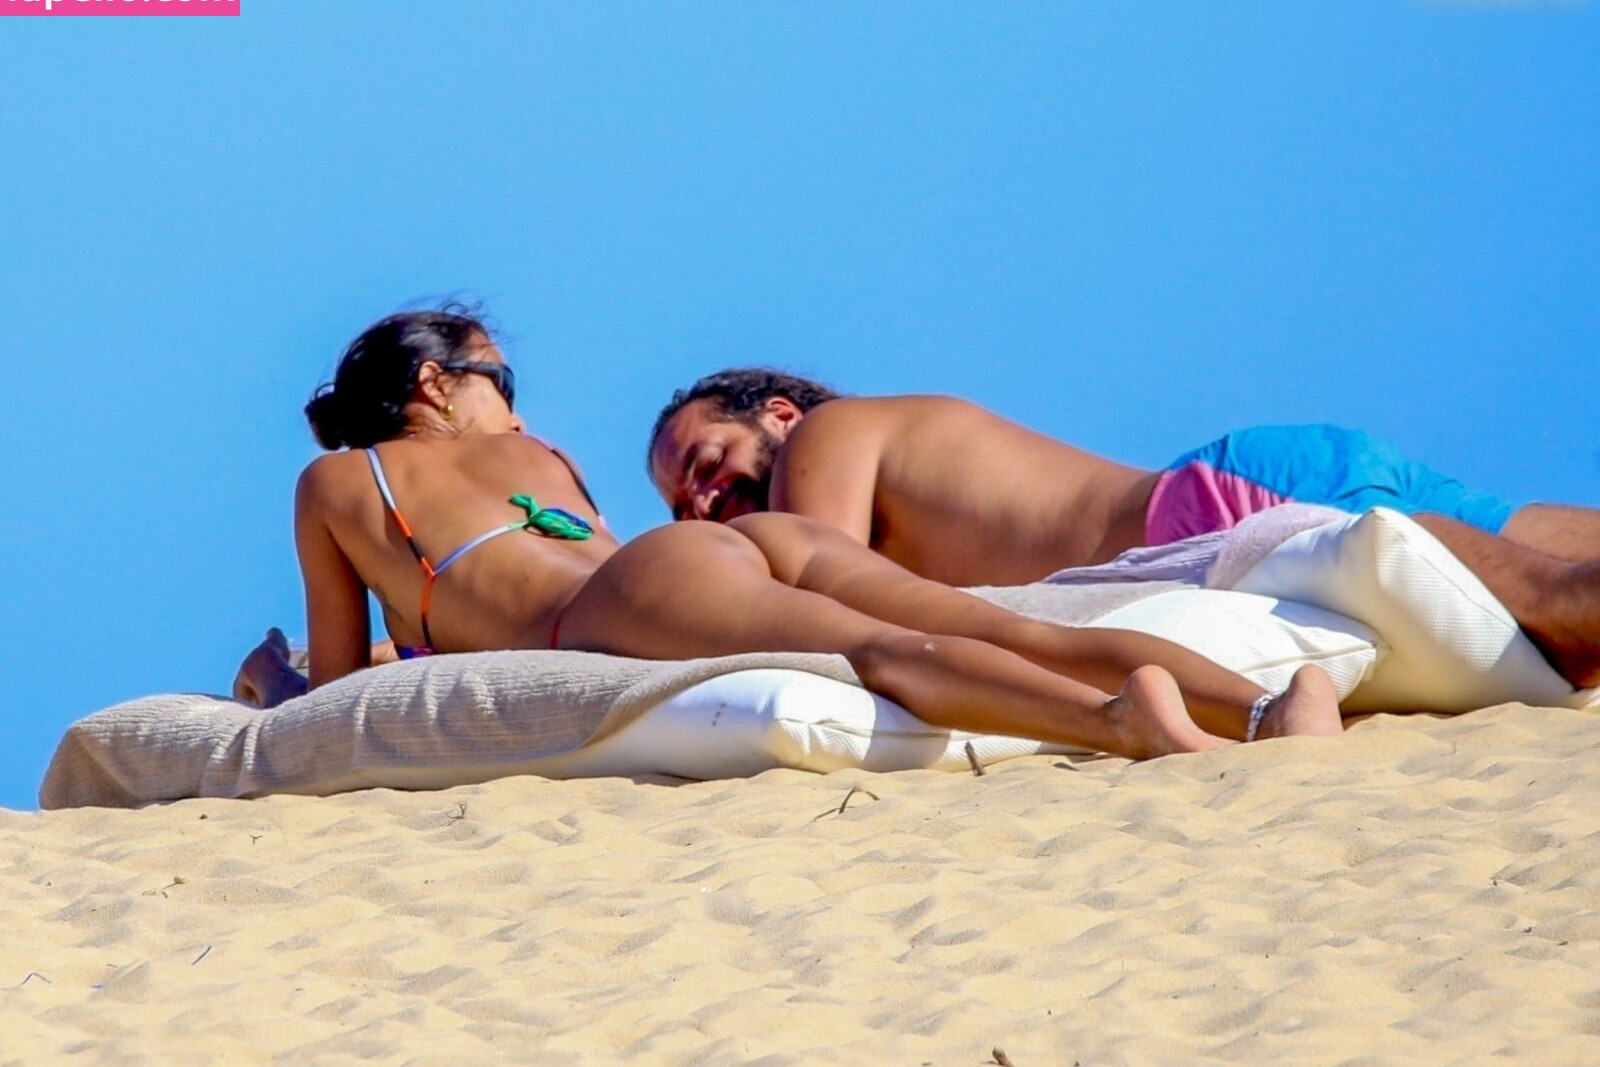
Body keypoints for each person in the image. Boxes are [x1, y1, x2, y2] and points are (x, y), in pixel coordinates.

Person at [239, 308, 1344, 760]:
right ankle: (1265, 707)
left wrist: (273, 683)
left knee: (885, 654)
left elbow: (337, 692)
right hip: (717, 553)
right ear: (436, 384)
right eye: (500, 379)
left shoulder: (339, 481)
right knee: (981, 619)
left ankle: (1128, 725)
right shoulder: (543, 461)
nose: (513, 408)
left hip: (629, 598)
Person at [647, 369, 1600, 687]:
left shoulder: (827, 437)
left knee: (1545, 612)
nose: (699, 502)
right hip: (1248, 472)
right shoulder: (883, 444)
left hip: (1207, 508)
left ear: (777, 413)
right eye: (678, 502)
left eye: (702, 462)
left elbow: (817, 593)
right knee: (1538, 554)